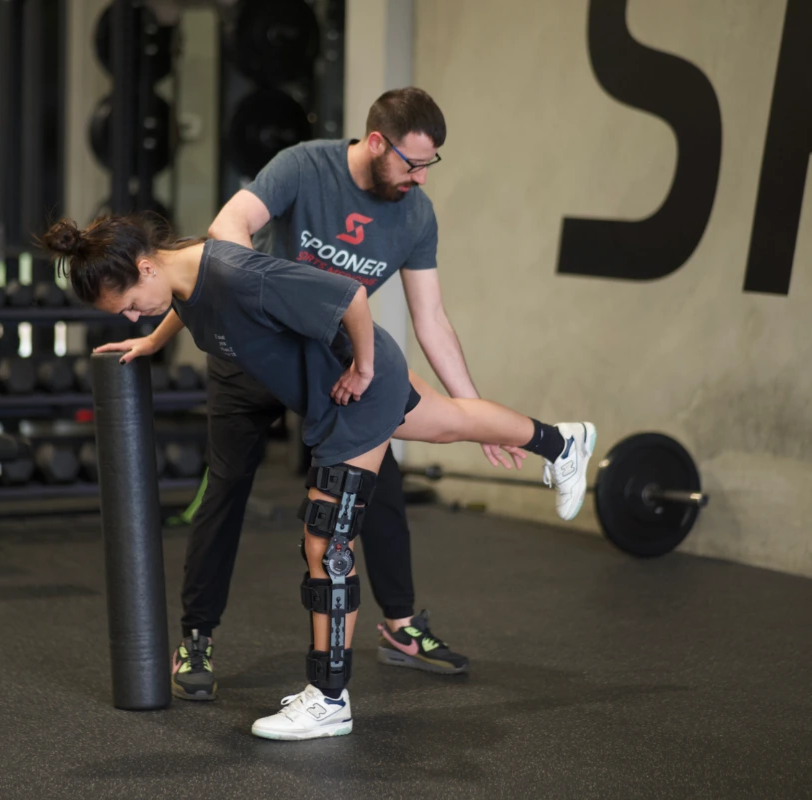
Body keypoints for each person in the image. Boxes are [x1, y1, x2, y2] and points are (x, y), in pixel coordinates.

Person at [40, 212, 596, 741]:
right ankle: (563, 441)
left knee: (326, 541)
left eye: (133, 306)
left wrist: (365, 367)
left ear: (146, 267)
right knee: (451, 422)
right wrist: (152, 340)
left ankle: (329, 700)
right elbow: (187, 309)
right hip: (340, 389)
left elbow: (349, 295)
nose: (133, 316)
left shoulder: (236, 273)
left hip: (353, 392)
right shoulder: (184, 281)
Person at [101, 88, 555, 703]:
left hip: (328, 368)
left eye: (430, 164)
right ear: (376, 143)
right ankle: (197, 636)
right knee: (226, 487)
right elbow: (222, 239)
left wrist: (477, 419)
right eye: (412, 163)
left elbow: (432, 321)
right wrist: (164, 332)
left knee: (380, 481)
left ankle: (400, 627)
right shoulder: (302, 166)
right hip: (247, 358)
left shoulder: (416, 216)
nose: (421, 177)